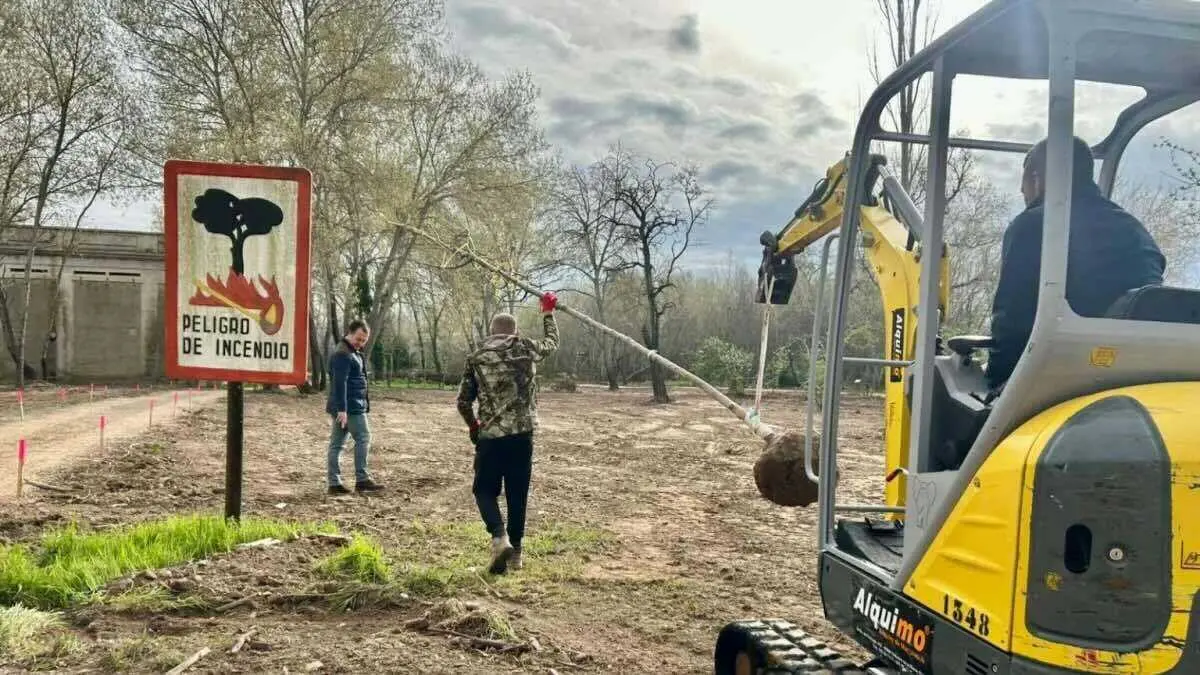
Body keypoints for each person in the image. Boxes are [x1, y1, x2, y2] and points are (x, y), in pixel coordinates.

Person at [986, 135, 1166, 391]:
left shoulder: (1035, 225)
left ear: (1037, 179)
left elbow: (1012, 316)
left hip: (1056, 377)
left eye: (1023, 182)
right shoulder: (1137, 231)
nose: (1021, 191)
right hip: (1134, 376)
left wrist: (994, 384)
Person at [456, 292, 559, 574]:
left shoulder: (476, 357)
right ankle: (517, 554)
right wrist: (547, 313)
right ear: (515, 332)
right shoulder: (526, 348)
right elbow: (552, 343)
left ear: (490, 332)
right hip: (522, 436)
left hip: (490, 437)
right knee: (517, 494)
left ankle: (499, 538)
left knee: (484, 490)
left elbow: (463, 401)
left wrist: (474, 427)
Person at [326, 319, 383, 495]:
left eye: (364, 340)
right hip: (350, 407)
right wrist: (342, 410)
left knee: (337, 444)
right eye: (358, 339)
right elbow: (339, 383)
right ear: (349, 333)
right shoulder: (343, 353)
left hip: (347, 406)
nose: (361, 343)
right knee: (363, 437)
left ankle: (334, 484)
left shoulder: (351, 352)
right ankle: (362, 479)